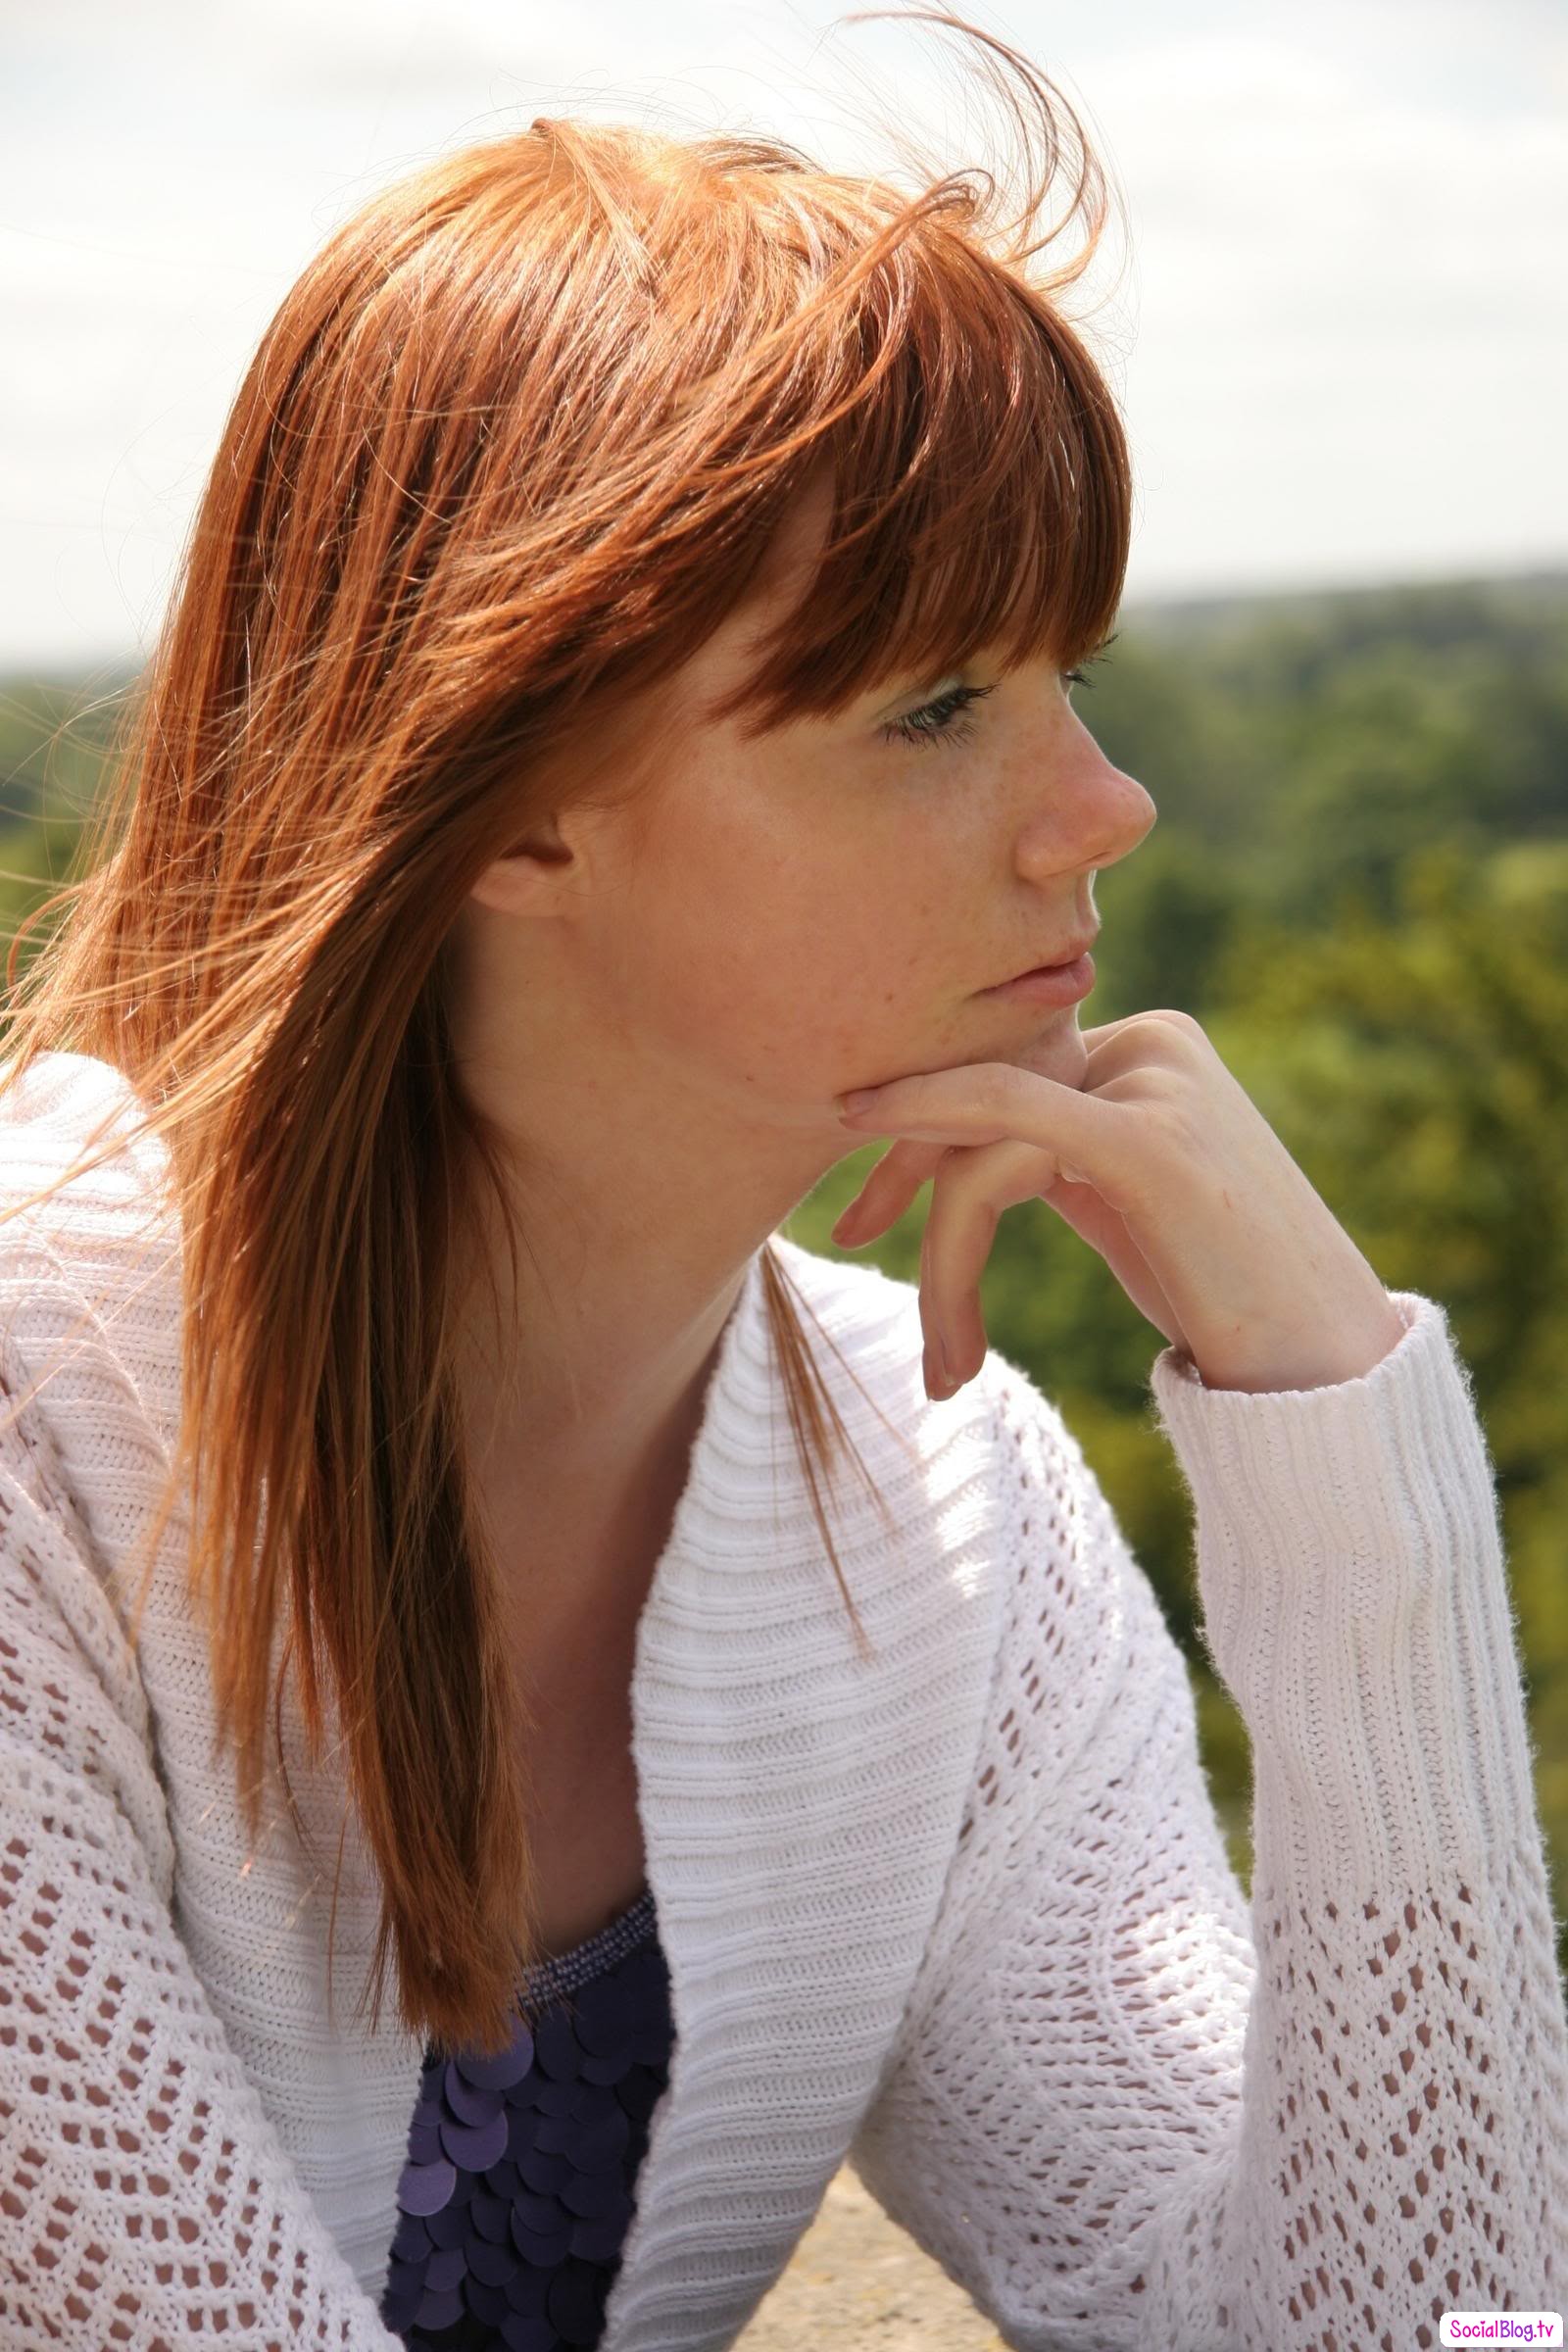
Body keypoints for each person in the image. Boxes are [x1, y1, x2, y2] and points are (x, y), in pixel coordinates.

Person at [0, 17, 1563, 2351]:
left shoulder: (945, 1511)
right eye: (929, 709)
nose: (1104, 807)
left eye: (1065, 679)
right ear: (507, 803)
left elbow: (1418, 2333)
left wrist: (1343, 1448)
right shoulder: (33, 1457)